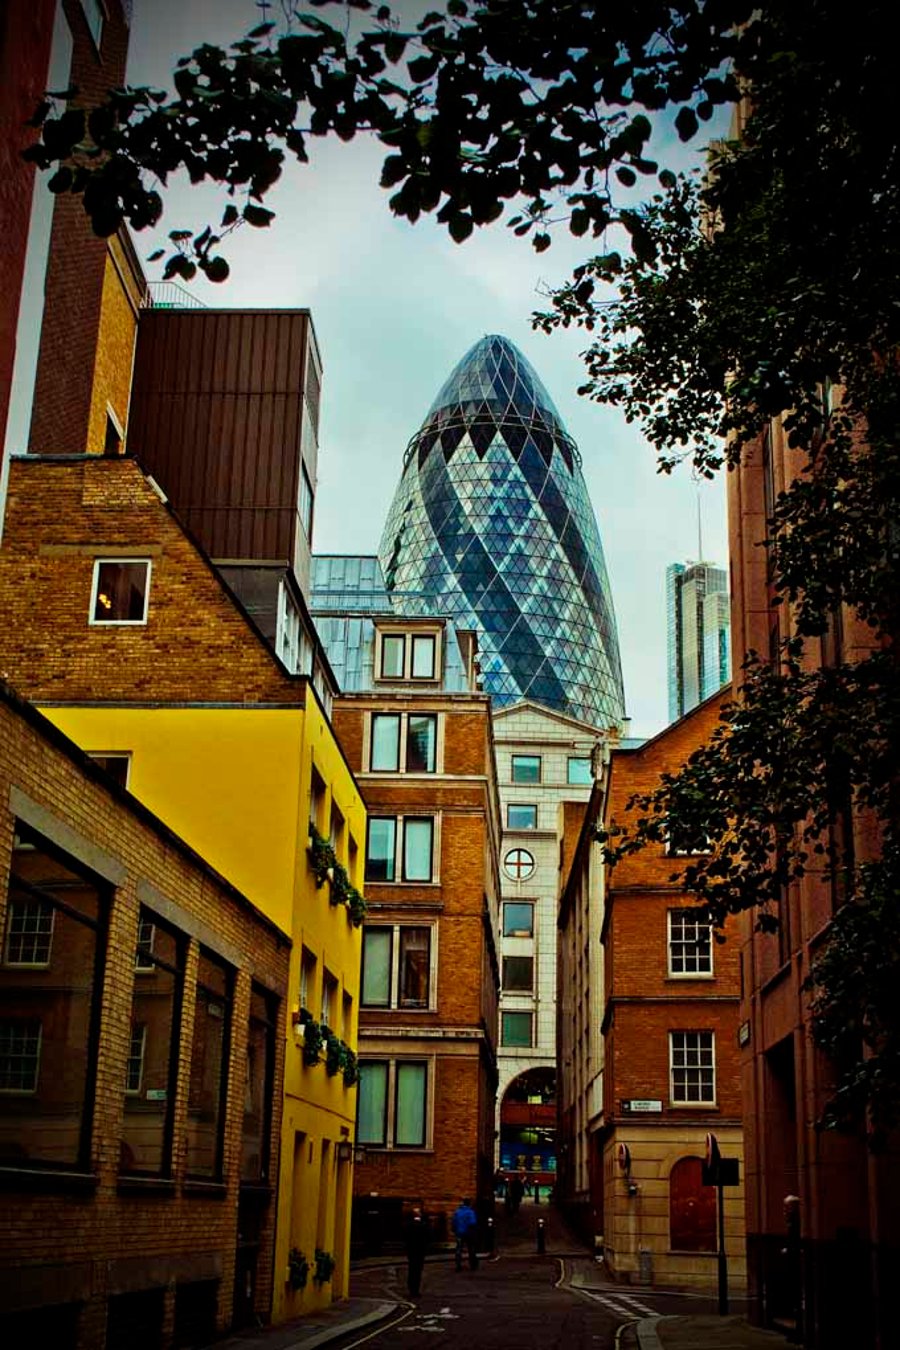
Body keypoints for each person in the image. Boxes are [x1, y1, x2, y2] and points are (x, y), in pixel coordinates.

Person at [404, 1204, 428, 1297]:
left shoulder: (407, 1224)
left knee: (412, 1269)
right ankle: (415, 1290)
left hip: (411, 1249)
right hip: (420, 1250)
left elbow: (405, 1236)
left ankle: (411, 1289)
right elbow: (428, 1235)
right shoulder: (423, 1224)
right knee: (417, 1270)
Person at [451, 1197, 479, 1271]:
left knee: (459, 1249)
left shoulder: (457, 1212)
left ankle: (458, 1265)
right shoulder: (470, 1212)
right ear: (469, 1204)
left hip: (459, 1232)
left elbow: (453, 1222)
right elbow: (473, 1223)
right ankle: (472, 1265)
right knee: (471, 1249)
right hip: (468, 1233)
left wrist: (454, 1230)